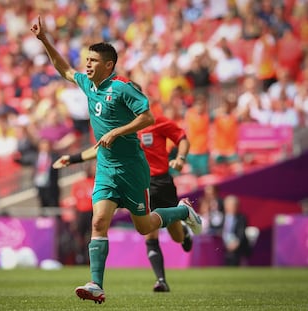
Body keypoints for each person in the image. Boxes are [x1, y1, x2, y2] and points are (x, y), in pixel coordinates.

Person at [31, 16, 202, 304]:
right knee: (99, 221)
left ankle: (182, 212)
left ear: (108, 65)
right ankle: (96, 284)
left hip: (133, 169)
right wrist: (44, 40)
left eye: (94, 60)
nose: (87, 65)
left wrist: (117, 131)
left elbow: (147, 117)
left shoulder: (123, 87)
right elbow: (64, 69)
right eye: (87, 59)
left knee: (145, 226)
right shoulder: (88, 84)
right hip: (107, 169)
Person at [53, 81, 193, 292]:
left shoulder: (155, 120)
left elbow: (182, 138)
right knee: (147, 231)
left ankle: (182, 221)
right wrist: (73, 159)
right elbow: (100, 148)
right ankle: (161, 281)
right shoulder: (117, 124)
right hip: (133, 180)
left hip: (160, 181)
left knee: (175, 236)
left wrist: (180, 158)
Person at [222, 195, 251, 266]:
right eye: (230, 205)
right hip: (221, 243)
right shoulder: (221, 218)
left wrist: (236, 243)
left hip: (236, 245)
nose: (232, 207)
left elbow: (241, 233)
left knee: (233, 254)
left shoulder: (242, 218)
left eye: (234, 205)